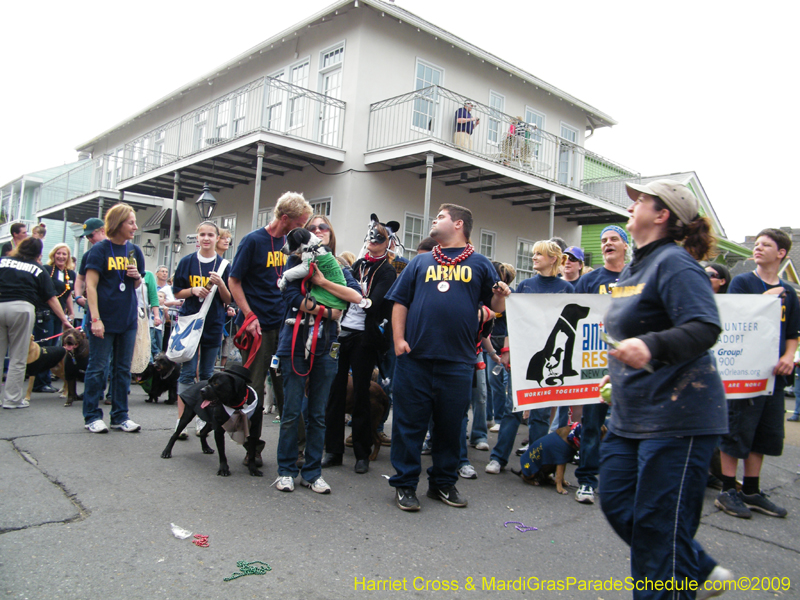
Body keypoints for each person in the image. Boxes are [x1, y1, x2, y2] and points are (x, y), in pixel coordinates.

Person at [598, 179, 730, 598]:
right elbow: (636, 330)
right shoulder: (638, 266)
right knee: (618, 503)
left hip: (679, 419)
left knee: (659, 531)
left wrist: (649, 346)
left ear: (663, 215)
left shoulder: (676, 263)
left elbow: (704, 326)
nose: (632, 204)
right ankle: (699, 570)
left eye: (642, 200)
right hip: (631, 414)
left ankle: (679, 575)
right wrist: (615, 372)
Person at [387, 203, 510, 512]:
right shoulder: (420, 262)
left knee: (449, 427)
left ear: (458, 224)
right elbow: (400, 302)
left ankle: (443, 483)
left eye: (440, 217)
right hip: (415, 358)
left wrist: (500, 295)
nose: (433, 220)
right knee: (408, 426)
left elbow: (495, 307)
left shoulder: (481, 264)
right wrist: (399, 340)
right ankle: (405, 484)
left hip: (457, 361)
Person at [715, 228, 799, 519]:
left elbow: (792, 333)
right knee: (736, 427)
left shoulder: (789, 291)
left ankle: (751, 490)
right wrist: (767, 297)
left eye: (767, 245)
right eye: (758, 244)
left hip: (772, 374)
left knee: (764, 432)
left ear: (782, 253)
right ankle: (727, 489)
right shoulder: (742, 282)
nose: (759, 248)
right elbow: (736, 318)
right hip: (743, 370)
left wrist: (789, 356)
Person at [272, 226, 363, 494]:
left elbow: (355, 296)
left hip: (327, 346)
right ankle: (286, 470)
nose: (317, 231)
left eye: (323, 227)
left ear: (331, 235)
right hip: (294, 342)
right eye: (312, 227)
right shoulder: (294, 261)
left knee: (318, 413)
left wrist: (322, 283)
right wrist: (329, 311)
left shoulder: (335, 265)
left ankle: (312, 472)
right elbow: (289, 296)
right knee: (291, 411)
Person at [487, 240, 573, 475]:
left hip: (552, 359)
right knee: (512, 408)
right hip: (524, 356)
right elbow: (514, 321)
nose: (533, 257)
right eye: (533, 253)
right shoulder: (525, 286)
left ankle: (535, 462)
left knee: (541, 414)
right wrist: (506, 350)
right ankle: (498, 458)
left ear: (553, 258)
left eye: (539, 254)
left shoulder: (566, 289)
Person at [229, 192, 312, 420]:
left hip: (284, 325)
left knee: (288, 387)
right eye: (298, 223)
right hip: (257, 326)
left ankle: (296, 448)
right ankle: (252, 445)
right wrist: (249, 316)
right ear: (284, 218)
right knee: (254, 387)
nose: (302, 229)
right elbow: (234, 281)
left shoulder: (296, 245)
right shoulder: (253, 241)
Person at [323, 219, 396, 473]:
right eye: (370, 237)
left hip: (365, 338)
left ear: (388, 242)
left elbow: (374, 304)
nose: (372, 242)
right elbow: (342, 294)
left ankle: (362, 454)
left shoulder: (387, 271)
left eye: (378, 238)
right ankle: (333, 450)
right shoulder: (357, 266)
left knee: (362, 394)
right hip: (342, 333)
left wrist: (354, 295)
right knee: (335, 391)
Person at [572, 225, 629, 505]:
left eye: (614, 239)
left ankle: (625, 481)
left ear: (626, 246)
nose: (607, 243)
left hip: (631, 364)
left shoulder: (639, 277)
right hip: (596, 365)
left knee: (630, 426)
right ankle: (586, 480)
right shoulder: (589, 279)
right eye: (604, 240)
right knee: (591, 425)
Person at [82, 203, 146, 433]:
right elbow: (90, 285)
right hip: (104, 319)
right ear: (117, 224)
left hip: (127, 319)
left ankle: (120, 415)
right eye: (130, 222)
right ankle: (91, 415)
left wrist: (137, 276)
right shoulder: (99, 250)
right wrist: (95, 319)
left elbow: (137, 284)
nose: (135, 227)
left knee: (122, 370)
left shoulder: (134, 251)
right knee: (98, 368)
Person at [0, 238, 71, 409]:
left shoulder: (3, 261)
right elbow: (51, 297)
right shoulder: (38, 269)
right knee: (18, 356)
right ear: (39, 254)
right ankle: (12, 400)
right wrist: (64, 320)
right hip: (22, 308)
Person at [172, 221, 231, 394]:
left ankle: (203, 416)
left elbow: (228, 299)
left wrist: (220, 284)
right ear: (197, 237)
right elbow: (177, 292)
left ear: (217, 238)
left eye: (210, 235)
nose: (206, 238)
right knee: (187, 373)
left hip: (213, 323)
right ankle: (182, 417)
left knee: (207, 373)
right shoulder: (186, 262)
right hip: (190, 323)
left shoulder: (224, 265)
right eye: (202, 235)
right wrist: (192, 290)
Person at [32, 244, 76, 393]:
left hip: (60, 315)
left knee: (54, 347)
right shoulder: (45, 269)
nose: (61, 257)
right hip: (46, 313)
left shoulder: (70, 273)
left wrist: (71, 313)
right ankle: (39, 381)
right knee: (45, 347)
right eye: (58, 253)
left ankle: (45, 379)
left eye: (64, 254)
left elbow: (68, 294)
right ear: (53, 255)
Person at [487, 262, 516, 432]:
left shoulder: (511, 296)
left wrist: (507, 349)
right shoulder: (490, 294)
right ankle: (492, 417)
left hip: (504, 342)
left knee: (504, 383)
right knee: (492, 381)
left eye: (503, 278)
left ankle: (503, 417)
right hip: (489, 340)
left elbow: (513, 323)